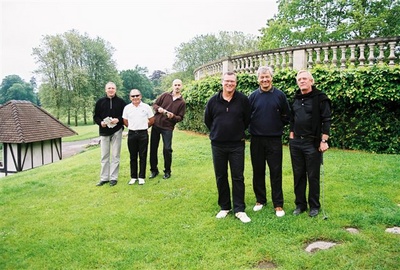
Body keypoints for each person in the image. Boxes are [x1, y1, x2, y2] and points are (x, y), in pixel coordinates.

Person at [204, 72, 252, 223]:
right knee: (221, 176)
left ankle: (239, 209)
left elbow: (247, 119)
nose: (229, 84)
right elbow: (208, 120)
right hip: (218, 145)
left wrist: (236, 131)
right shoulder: (213, 101)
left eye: (232, 81)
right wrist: (218, 132)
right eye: (227, 81)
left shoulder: (243, 100)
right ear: (222, 82)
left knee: (238, 176)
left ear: (236, 83)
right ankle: (225, 207)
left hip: (237, 144)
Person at [248, 66, 291, 217]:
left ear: (271, 78)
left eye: (267, 77)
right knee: (258, 170)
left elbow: (286, 116)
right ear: (258, 79)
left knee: (276, 171)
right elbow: (247, 117)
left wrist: (276, 125)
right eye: (262, 77)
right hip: (257, 140)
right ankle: (260, 200)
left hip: (274, 139)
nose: (265, 80)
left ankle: (278, 204)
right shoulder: (252, 96)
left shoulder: (280, 95)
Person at [289, 70, 331, 217]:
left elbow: (326, 119)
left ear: (311, 81)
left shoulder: (320, 98)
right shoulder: (295, 98)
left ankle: (314, 206)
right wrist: (292, 134)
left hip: (312, 142)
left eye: (305, 79)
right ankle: (300, 205)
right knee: (298, 174)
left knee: (313, 175)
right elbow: (292, 118)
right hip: (296, 143)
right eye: (299, 79)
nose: (302, 81)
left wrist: (324, 140)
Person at [149, 79, 186, 180]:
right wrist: (159, 109)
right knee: (153, 148)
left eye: (179, 85)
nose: (177, 87)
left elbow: (180, 118)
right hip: (156, 125)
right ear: (172, 86)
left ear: (181, 86)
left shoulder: (182, 102)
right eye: (175, 85)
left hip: (168, 128)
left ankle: (167, 171)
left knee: (167, 149)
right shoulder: (165, 95)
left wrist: (173, 116)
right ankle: (154, 170)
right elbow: (155, 104)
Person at [93, 82, 126, 187]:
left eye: (113, 88)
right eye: (109, 88)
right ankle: (104, 178)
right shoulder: (100, 102)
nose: (111, 90)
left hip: (117, 131)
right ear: (105, 90)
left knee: (115, 155)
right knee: (104, 156)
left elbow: (125, 117)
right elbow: (95, 116)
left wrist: (118, 120)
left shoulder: (121, 102)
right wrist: (100, 123)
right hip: (104, 132)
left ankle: (113, 178)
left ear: (115, 90)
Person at [123, 89, 154, 185]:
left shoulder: (146, 107)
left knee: (143, 155)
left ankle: (141, 176)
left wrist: (144, 127)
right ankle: (133, 177)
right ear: (130, 97)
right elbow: (125, 121)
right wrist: (133, 127)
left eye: (137, 95)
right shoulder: (127, 108)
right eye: (133, 96)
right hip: (132, 134)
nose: (135, 97)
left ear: (140, 96)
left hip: (143, 134)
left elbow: (152, 119)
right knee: (133, 156)